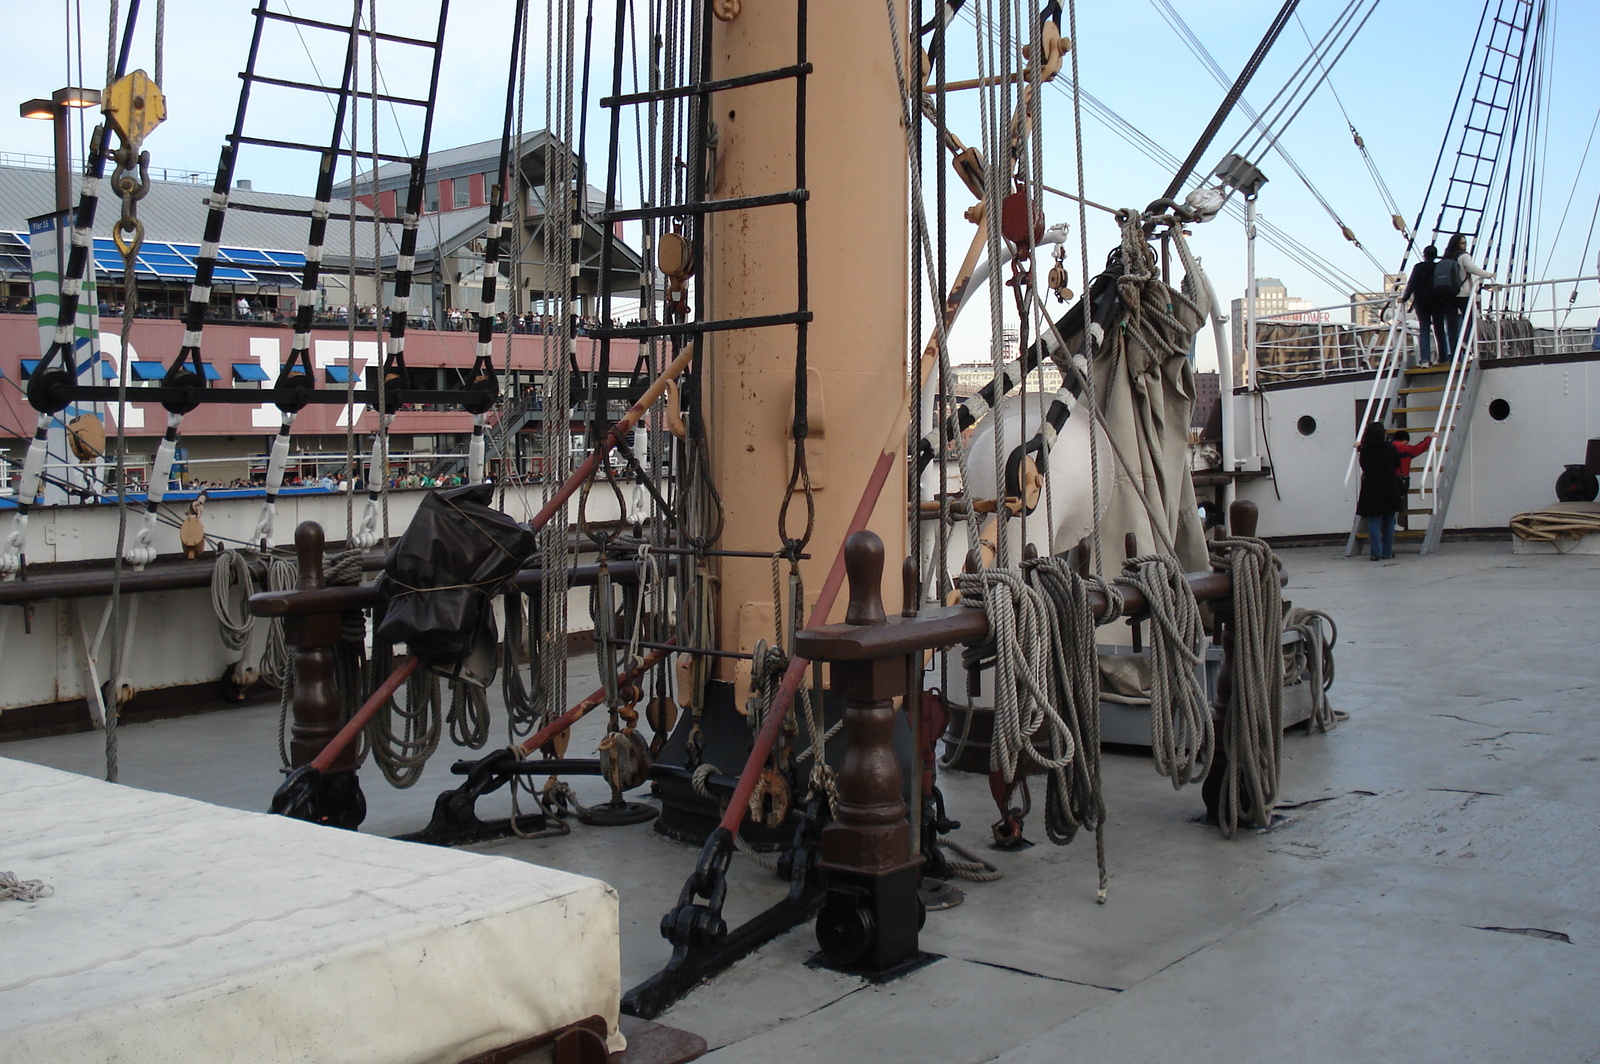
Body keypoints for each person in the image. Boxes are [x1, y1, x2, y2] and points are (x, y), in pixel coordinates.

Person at [1441, 233, 1495, 360]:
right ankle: (1465, 346)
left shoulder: (1446, 258)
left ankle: (1454, 355)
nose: (1465, 245)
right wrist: (1489, 275)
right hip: (1463, 294)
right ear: (1458, 244)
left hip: (1449, 295)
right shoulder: (1464, 256)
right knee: (1470, 322)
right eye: (1463, 242)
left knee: (1452, 326)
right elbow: (1472, 268)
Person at [1356, 421, 1402, 561]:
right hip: (1389, 486)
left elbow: (1364, 466)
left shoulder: (1365, 450)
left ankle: (1376, 552)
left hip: (1371, 487)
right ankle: (1387, 552)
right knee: (1389, 521)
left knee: (1374, 520)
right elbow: (1397, 463)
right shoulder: (1390, 448)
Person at [1401, 245, 1448, 365]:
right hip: (1438, 302)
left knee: (1424, 330)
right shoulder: (1439, 268)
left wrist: (1405, 298)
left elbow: (1411, 284)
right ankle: (1443, 357)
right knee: (1440, 330)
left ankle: (1425, 360)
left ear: (1424, 255)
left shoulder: (1418, 267)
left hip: (1422, 303)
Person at [1391, 430, 1433, 531]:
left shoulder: (1386, 447)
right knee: (1396, 502)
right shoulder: (1406, 449)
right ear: (1405, 441)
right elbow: (1418, 449)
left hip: (1385, 478)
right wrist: (1429, 438)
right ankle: (1393, 523)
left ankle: (1388, 524)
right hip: (1400, 479)